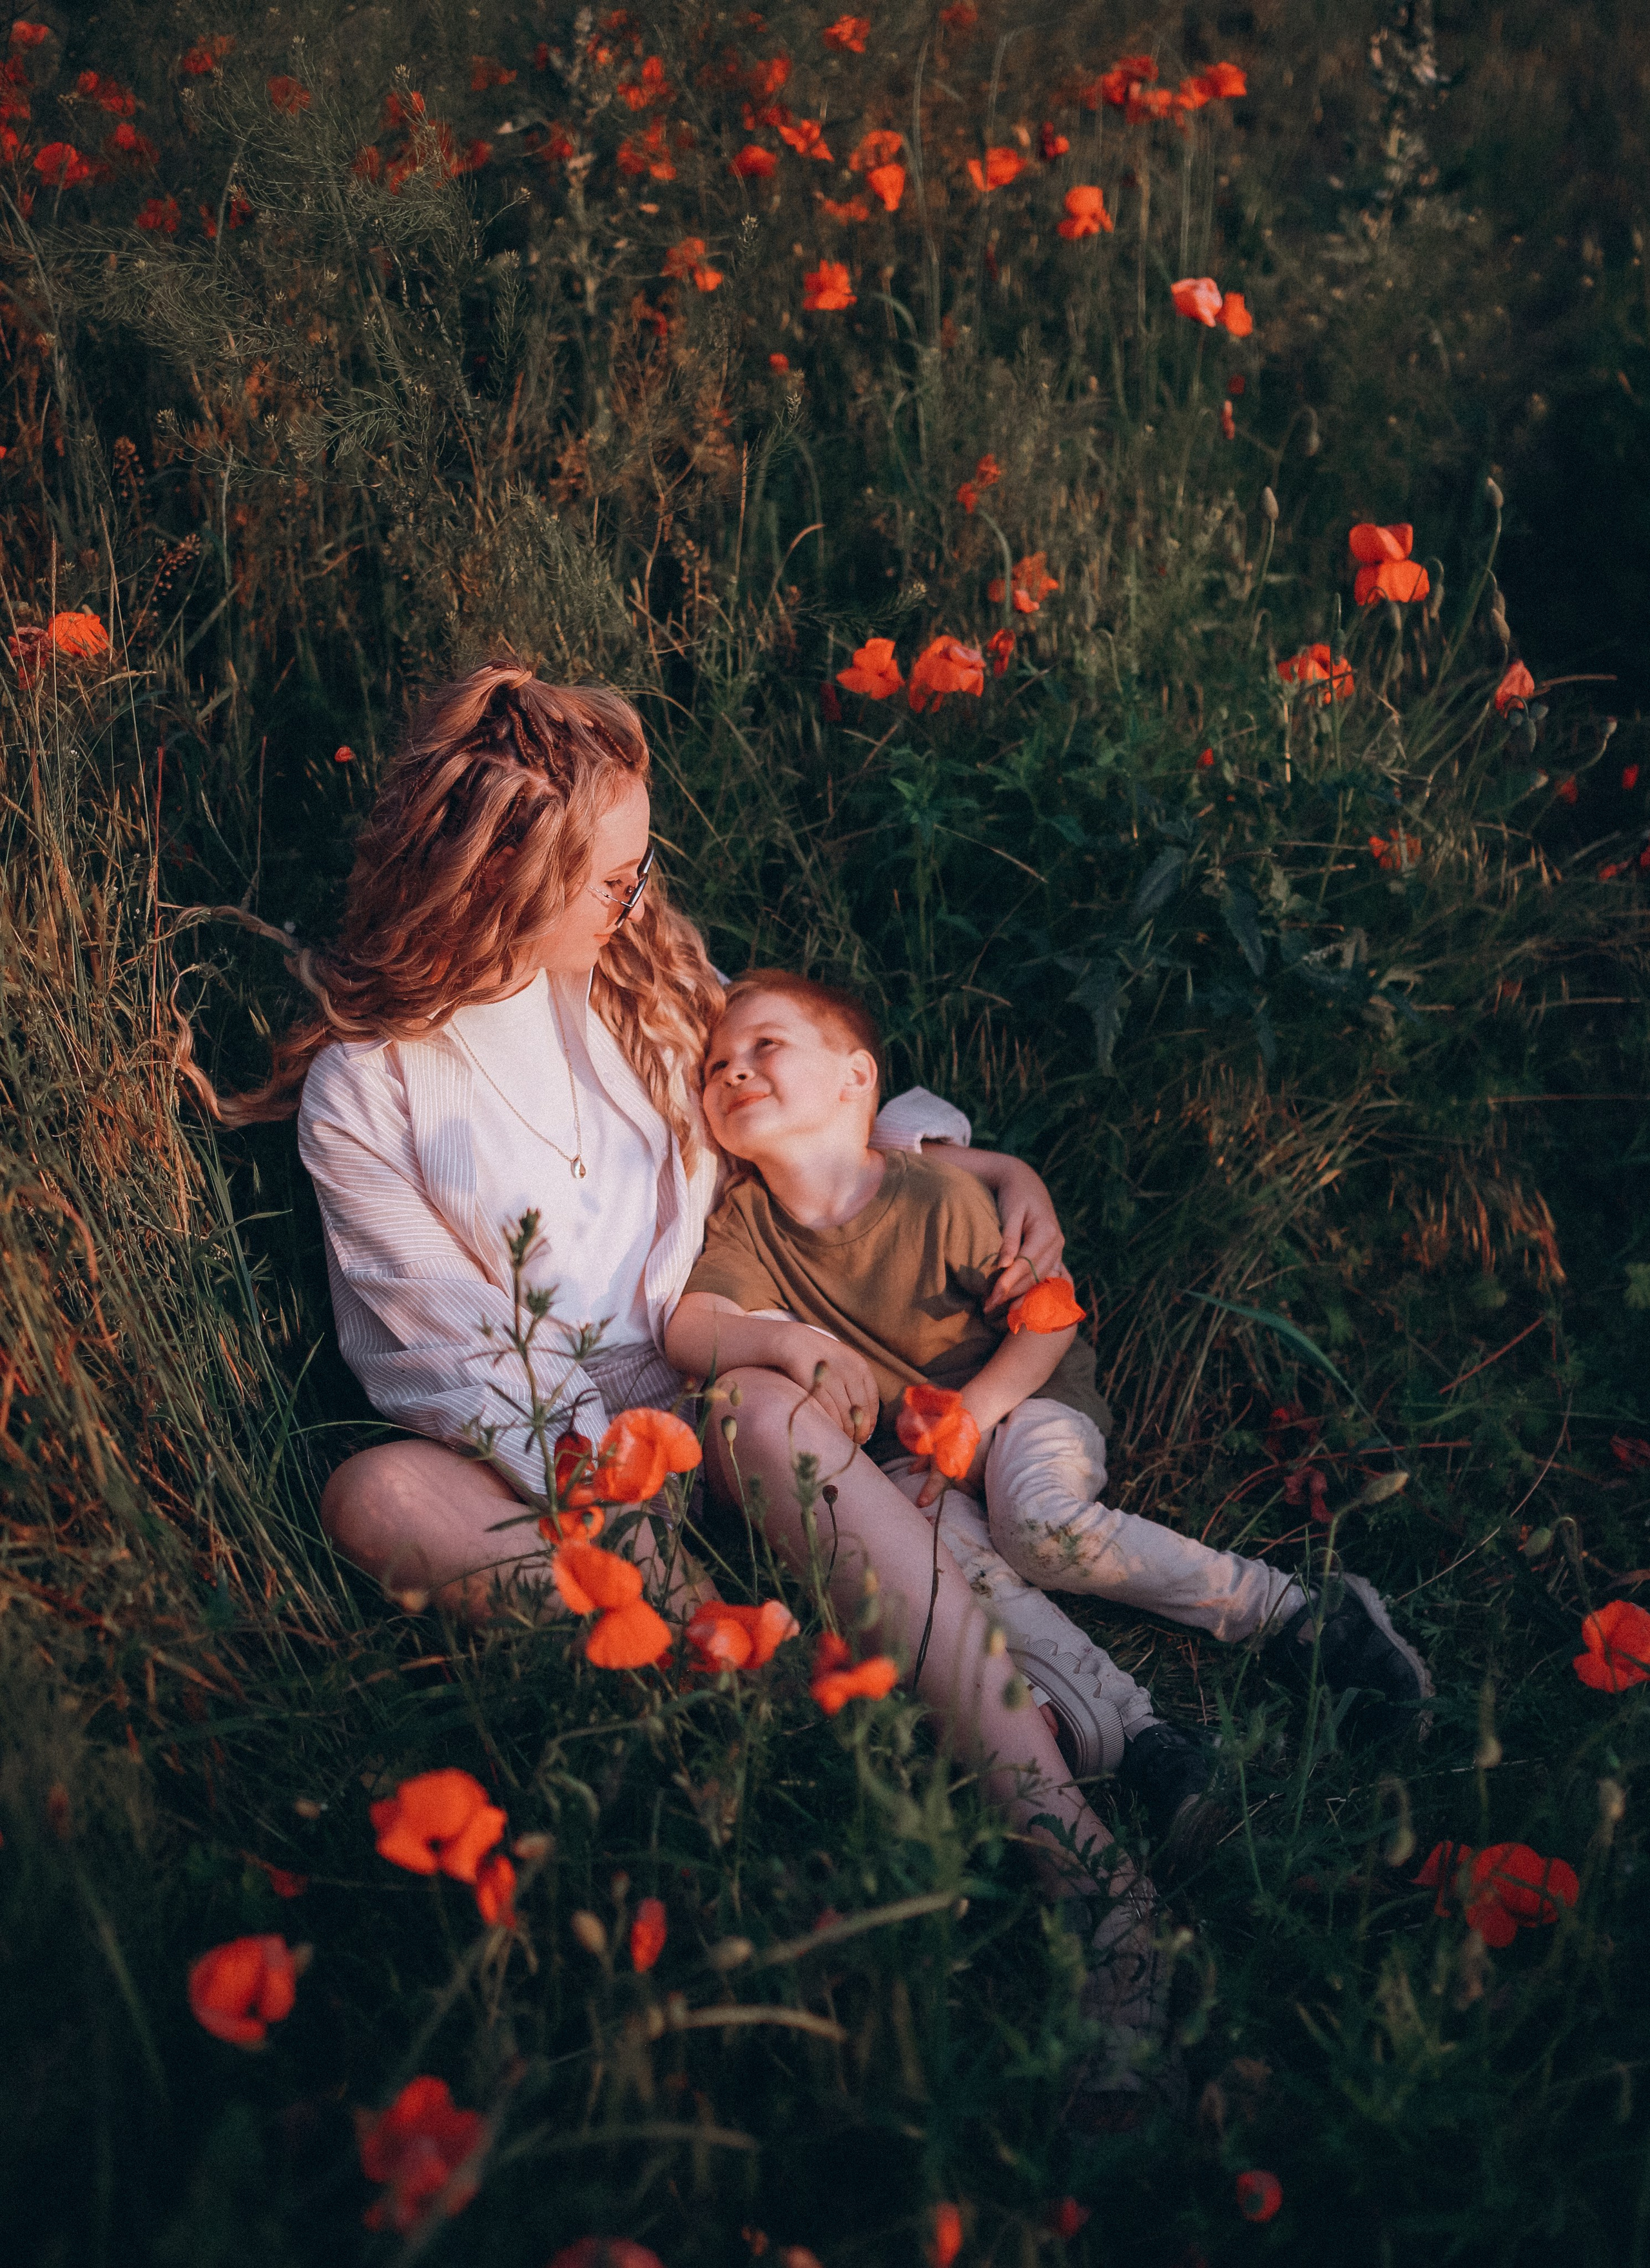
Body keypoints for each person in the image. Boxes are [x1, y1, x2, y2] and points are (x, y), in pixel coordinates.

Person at [176, 665, 1165, 2104]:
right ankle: (753, 1712)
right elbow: (441, 1368)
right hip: (551, 1461)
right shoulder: (370, 1090)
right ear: (499, 880)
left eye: (640, 868)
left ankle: (1076, 1855)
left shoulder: (633, 977)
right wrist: (616, 1500)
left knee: (762, 1412)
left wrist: (978, 1164)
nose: (637, 903)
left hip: (745, 1384)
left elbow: (794, 1109)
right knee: (375, 1490)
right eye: (610, 878)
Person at [666, 970, 1435, 1853]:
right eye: (716, 1062)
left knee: (1035, 1523)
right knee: (956, 1572)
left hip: (1023, 1392)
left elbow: (1046, 1319)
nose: (733, 1069)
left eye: (765, 1045)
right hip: (912, 1453)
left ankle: (1289, 1609)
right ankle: (1142, 1735)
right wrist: (785, 1347)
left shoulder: (932, 1195)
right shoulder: (747, 1224)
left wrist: (975, 1412)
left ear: (855, 1078)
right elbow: (690, 1324)